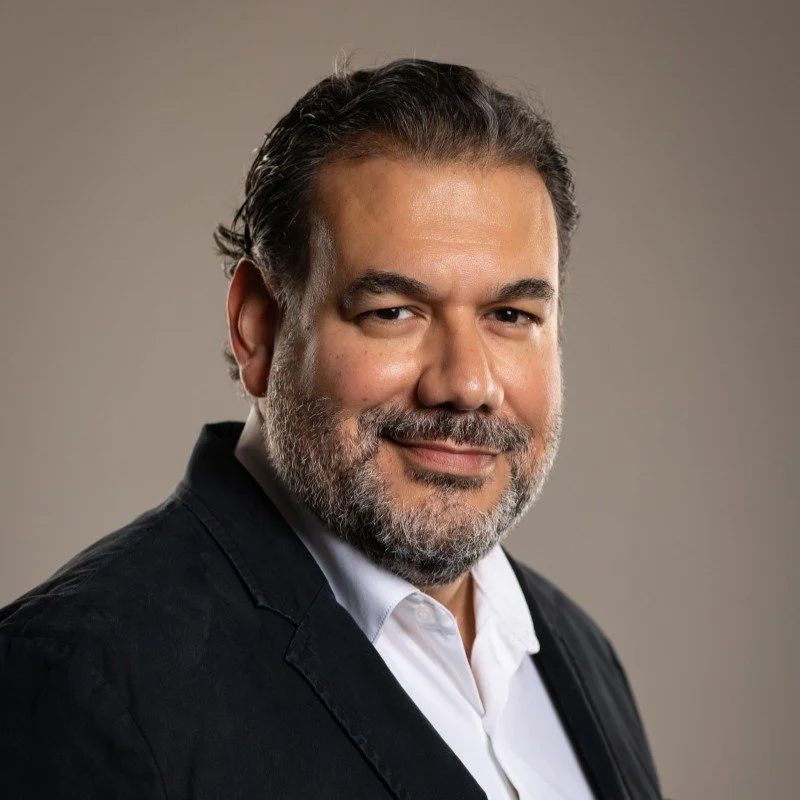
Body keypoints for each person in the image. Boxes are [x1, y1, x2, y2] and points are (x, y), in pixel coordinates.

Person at [0, 59, 662, 799]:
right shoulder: (79, 679)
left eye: (511, 316)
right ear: (257, 328)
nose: (466, 384)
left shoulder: (578, 655)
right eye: (393, 312)